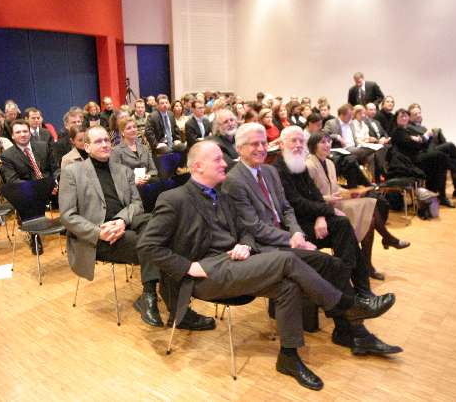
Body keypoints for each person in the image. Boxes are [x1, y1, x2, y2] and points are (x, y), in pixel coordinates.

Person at [138, 140, 395, 390]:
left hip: (236, 263)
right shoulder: (174, 198)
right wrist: (186, 267)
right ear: (197, 167)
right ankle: (347, 306)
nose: (225, 163)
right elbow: (147, 246)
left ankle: (289, 357)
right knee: (287, 259)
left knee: (295, 282)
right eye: (217, 160)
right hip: (204, 273)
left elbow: (245, 231)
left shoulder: (222, 195)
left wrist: (245, 244)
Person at [222, 123, 399, 356]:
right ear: (239, 148)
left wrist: (296, 232)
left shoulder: (268, 171)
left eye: (264, 143)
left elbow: (286, 208)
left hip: (286, 235)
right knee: (330, 264)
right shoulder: (235, 180)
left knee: (339, 237)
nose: (262, 148)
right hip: (262, 246)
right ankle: (354, 322)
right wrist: (292, 237)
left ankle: (354, 321)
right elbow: (254, 227)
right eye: (254, 144)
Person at [59, 125, 163, 327]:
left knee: (157, 223)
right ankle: (153, 295)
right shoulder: (72, 172)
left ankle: (149, 294)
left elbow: (137, 204)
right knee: (155, 243)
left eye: (107, 140)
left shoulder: (123, 170)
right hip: (97, 235)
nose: (105, 144)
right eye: (98, 141)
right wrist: (99, 232)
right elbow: (68, 216)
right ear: (87, 147)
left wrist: (122, 221)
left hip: (125, 224)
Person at [305, 131, 410, 280]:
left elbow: (334, 188)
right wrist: (330, 197)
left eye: (329, 141)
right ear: (313, 145)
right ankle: (385, 241)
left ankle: (370, 262)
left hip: (336, 203)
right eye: (323, 142)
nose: (327, 145)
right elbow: (308, 196)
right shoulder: (309, 166)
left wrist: (350, 192)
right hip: (323, 209)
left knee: (371, 211)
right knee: (370, 214)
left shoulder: (329, 163)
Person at [1, 120, 56, 254]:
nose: (22, 134)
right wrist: (39, 188)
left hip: (51, 187)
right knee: (27, 200)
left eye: (25, 131)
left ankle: (70, 227)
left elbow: (55, 168)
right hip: (28, 191)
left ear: (30, 133)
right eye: (18, 132)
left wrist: (55, 183)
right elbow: (13, 180)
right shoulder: (7, 155)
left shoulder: (43, 146)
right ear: (12, 136)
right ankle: (34, 236)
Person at [408, 103, 456, 200]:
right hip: (425, 154)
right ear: (410, 117)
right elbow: (418, 144)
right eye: (415, 114)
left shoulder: (423, 127)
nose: (418, 115)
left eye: (419, 113)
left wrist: (434, 134)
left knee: (451, 156)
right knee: (449, 146)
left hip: (433, 150)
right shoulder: (409, 128)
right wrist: (427, 135)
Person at [391, 109, 455, 207]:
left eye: (405, 116)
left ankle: (438, 196)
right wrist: (419, 139)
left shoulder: (406, 131)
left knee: (439, 164)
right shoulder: (398, 132)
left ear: (408, 118)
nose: (404, 118)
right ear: (396, 119)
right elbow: (414, 146)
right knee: (440, 156)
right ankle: (455, 170)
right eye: (401, 116)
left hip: (416, 159)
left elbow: (419, 145)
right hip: (408, 164)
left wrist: (419, 140)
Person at [323, 104, 374, 188]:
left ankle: (358, 185)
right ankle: (366, 183)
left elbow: (355, 139)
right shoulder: (331, 123)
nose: (351, 117)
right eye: (349, 115)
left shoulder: (351, 124)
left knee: (358, 158)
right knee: (365, 151)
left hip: (354, 149)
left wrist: (363, 142)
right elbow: (324, 135)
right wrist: (337, 137)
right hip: (342, 150)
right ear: (342, 114)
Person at [110, 116, 158, 185]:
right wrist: (133, 181)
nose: (133, 130)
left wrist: (148, 176)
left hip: (147, 182)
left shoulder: (144, 148)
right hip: (129, 185)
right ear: (122, 132)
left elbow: (153, 169)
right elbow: (117, 175)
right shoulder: (116, 151)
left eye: (134, 127)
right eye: (129, 128)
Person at [53, 108, 84, 173]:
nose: (77, 124)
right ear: (66, 126)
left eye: (79, 121)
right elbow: (58, 168)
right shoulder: (59, 145)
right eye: (74, 122)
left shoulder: (89, 139)